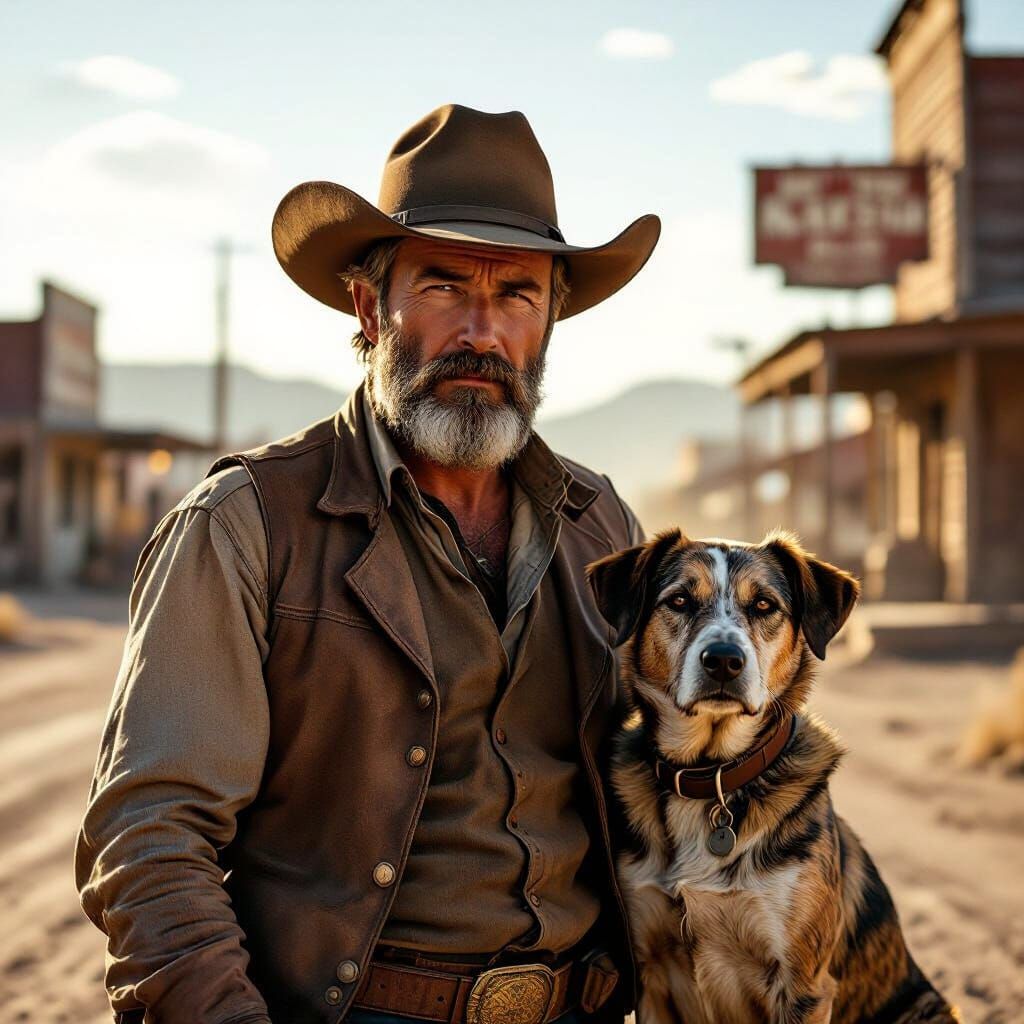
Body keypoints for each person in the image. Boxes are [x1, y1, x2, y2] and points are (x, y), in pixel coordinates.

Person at [76, 103, 660, 1024]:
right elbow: (153, 836)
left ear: (550, 320)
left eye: (519, 294)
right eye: (442, 286)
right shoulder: (247, 524)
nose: (483, 331)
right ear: (367, 304)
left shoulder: (604, 525)